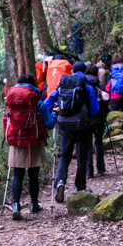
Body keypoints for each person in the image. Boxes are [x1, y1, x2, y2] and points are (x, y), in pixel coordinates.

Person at [43, 62, 100, 202]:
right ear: (84, 71)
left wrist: (54, 113)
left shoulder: (62, 86)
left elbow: (46, 103)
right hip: (83, 127)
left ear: (72, 70)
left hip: (65, 126)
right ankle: (80, 188)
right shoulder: (87, 87)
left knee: (64, 156)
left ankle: (60, 182)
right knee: (82, 157)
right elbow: (94, 110)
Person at [5, 74, 51, 220]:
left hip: (16, 140)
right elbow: (49, 123)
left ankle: (16, 205)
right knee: (33, 175)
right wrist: (55, 115)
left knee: (17, 174)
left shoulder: (11, 100)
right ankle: (33, 205)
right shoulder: (37, 101)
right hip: (34, 141)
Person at [85, 64, 108, 178]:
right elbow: (105, 101)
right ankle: (101, 168)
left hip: (86, 119)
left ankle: (89, 172)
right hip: (98, 119)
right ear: (96, 74)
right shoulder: (99, 85)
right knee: (98, 143)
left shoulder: (82, 84)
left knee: (88, 145)